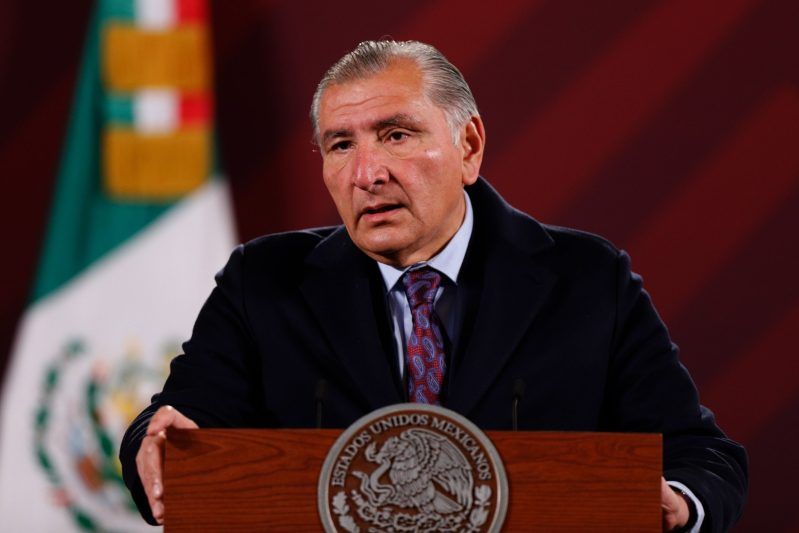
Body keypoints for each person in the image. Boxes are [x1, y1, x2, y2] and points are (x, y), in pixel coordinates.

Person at [120, 40, 747, 531]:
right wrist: (155, 445)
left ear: (468, 145)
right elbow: (178, 426)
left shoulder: (585, 279)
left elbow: (703, 459)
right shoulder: (264, 282)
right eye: (341, 145)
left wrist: (677, 505)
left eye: (396, 134)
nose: (367, 173)